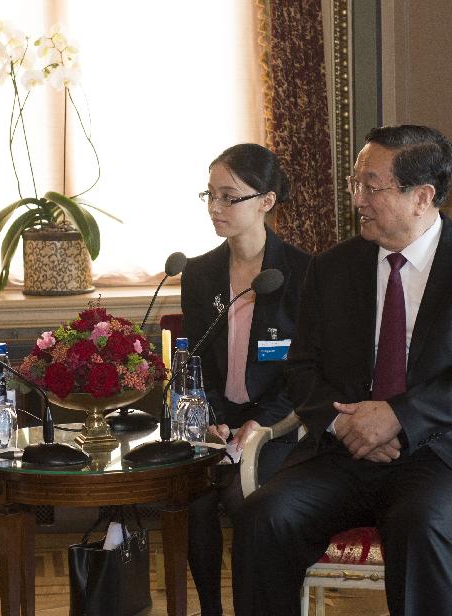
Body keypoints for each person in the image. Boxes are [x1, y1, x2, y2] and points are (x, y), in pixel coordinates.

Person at [231, 125, 452, 616]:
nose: (358, 199)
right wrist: (344, 422)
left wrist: (398, 417)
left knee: (419, 522)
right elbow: (302, 367)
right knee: (264, 515)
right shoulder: (332, 268)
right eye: (355, 183)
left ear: (423, 196)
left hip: (443, 455)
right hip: (340, 452)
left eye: (372, 186)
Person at [180, 143, 310, 616]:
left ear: (266, 201)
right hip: (218, 419)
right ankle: (210, 609)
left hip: (280, 420)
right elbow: (195, 361)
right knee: (191, 498)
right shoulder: (199, 274)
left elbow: (305, 372)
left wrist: (262, 425)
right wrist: (212, 420)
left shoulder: (303, 272)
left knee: (244, 499)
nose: (215, 208)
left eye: (228, 197)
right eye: (209, 195)